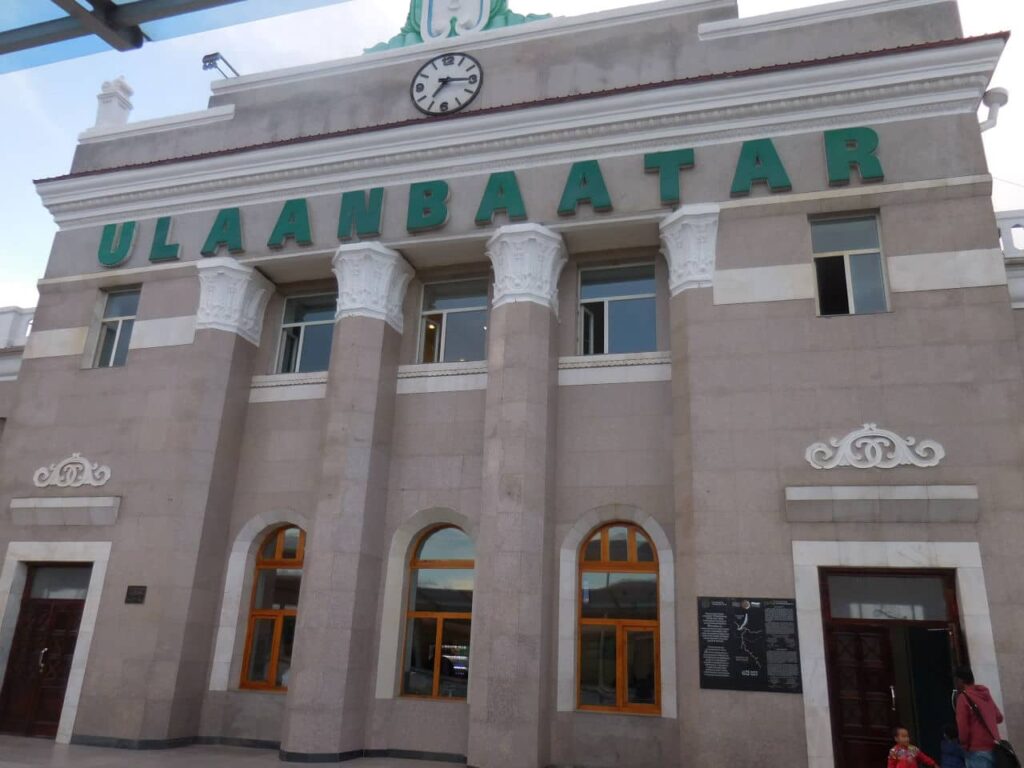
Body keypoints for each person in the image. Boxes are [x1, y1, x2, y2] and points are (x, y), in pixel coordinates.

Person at [955, 666, 1005, 768]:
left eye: (956, 680)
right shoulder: (984, 694)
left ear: (961, 680)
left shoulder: (963, 698)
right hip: (994, 748)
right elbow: (999, 717)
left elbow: (963, 728)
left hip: (976, 749)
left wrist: (964, 746)